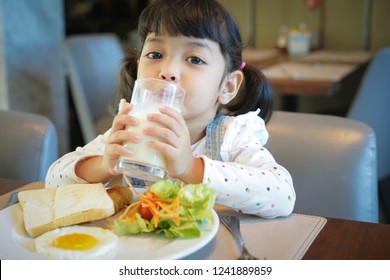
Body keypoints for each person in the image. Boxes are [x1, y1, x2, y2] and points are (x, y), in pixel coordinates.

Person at [46, 0, 295, 218]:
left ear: (228, 86)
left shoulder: (230, 138)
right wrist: (102, 165)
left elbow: (283, 197)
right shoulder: (130, 134)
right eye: (155, 54)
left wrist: (190, 167)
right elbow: (52, 182)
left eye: (194, 59)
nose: (167, 71)